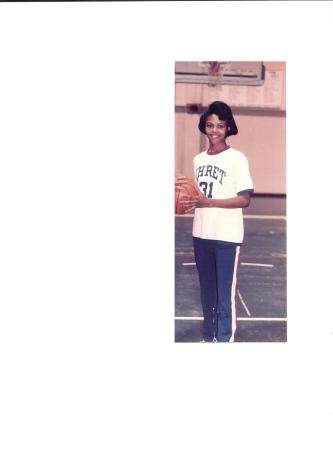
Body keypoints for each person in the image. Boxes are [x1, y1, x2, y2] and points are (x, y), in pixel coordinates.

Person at [176, 101, 254, 342]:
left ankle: (224, 339)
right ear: (204, 127)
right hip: (201, 232)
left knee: (224, 294)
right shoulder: (198, 159)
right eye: (210, 125)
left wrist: (208, 202)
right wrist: (183, 191)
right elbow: (196, 196)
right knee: (207, 292)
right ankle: (208, 337)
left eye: (220, 125)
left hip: (227, 236)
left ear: (229, 127)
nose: (214, 130)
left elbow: (244, 199)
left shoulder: (237, 158)